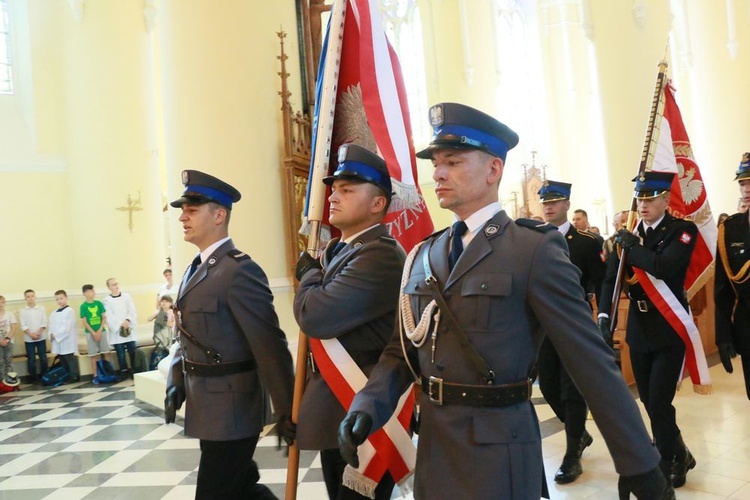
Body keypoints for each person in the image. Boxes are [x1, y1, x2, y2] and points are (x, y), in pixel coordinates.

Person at [338, 102, 672, 500]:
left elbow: (590, 361)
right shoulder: (424, 253)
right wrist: (368, 404)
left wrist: (639, 462)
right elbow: (403, 349)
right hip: (435, 449)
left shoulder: (532, 250)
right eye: (437, 163)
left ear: (493, 169)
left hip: (499, 454)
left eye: (454, 161)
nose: (439, 173)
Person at [165, 169, 295, 499]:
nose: (183, 217)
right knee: (238, 488)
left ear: (219, 215)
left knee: (215, 491)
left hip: (233, 406)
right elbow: (187, 335)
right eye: (183, 210)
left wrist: (287, 408)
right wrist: (175, 382)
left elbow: (269, 345)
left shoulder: (239, 271)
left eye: (192, 210)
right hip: (207, 405)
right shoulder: (196, 268)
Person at [293, 144, 406, 500]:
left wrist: (309, 278)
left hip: (364, 404)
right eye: (334, 189)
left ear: (377, 204)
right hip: (335, 402)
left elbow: (316, 316)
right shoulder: (339, 250)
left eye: (347, 189)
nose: (333, 197)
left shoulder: (381, 254)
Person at [598, 171, 698, 489]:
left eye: (650, 198)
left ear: (666, 200)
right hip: (639, 331)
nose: (643, 204)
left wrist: (634, 248)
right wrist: (603, 316)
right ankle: (678, 450)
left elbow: (664, 267)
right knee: (647, 401)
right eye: (640, 198)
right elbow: (610, 279)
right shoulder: (625, 236)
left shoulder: (681, 231)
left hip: (669, 328)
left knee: (658, 401)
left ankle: (668, 460)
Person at [537, 180, 605, 483]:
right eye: (545, 202)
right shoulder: (533, 240)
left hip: (574, 324)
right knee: (550, 387)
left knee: (571, 388)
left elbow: (600, 279)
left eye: (555, 201)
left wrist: (603, 314)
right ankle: (578, 434)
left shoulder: (586, 242)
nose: (549, 206)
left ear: (566, 204)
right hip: (543, 326)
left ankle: (572, 453)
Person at [715, 152, 750, 400]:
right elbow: (723, 289)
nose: (746, 189)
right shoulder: (730, 229)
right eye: (742, 183)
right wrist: (723, 334)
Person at [103, 278, 138, 378]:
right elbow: (109, 316)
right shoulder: (107, 300)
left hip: (128, 328)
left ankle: (135, 370)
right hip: (117, 332)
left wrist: (128, 320)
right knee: (120, 354)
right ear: (109, 287)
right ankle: (124, 371)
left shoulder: (127, 296)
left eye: (117, 283)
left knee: (133, 351)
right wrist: (120, 324)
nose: (116, 286)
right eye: (113, 284)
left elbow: (132, 310)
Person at [80, 284, 110, 384]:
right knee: (93, 355)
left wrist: (100, 331)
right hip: (90, 333)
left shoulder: (99, 304)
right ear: (85, 293)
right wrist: (93, 333)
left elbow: (104, 318)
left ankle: (107, 372)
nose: (93, 292)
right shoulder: (83, 306)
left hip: (102, 332)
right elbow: (84, 321)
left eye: (93, 290)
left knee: (105, 352)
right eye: (91, 291)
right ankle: (95, 375)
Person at [48, 290, 80, 383]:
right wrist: (51, 334)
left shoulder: (69, 311)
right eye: (57, 299)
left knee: (69, 358)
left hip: (67, 339)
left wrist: (57, 335)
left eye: (61, 298)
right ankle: (66, 375)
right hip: (58, 340)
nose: (59, 301)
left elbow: (67, 327)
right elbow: (51, 325)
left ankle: (74, 376)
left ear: (66, 298)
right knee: (62, 358)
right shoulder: (54, 313)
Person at [19, 289, 48, 383]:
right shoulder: (23, 311)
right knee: (31, 358)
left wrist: (39, 333)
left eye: (32, 296)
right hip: (29, 339)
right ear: (25, 298)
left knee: (43, 357)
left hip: (41, 337)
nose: (30, 298)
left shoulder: (41, 308)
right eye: (28, 296)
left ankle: (44, 375)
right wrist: (31, 334)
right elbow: (23, 325)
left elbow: (44, 322)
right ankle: (33, 377)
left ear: (35, 297)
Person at [0, 295, 18, 382]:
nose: (0, 304)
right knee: (1, 362)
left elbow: (13, 327)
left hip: (9, 341)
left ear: (5, 303)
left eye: (2, 302)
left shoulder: (9, 314)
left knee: (9, 361)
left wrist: (7, 338)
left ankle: (11, 379)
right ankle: (2, 381)